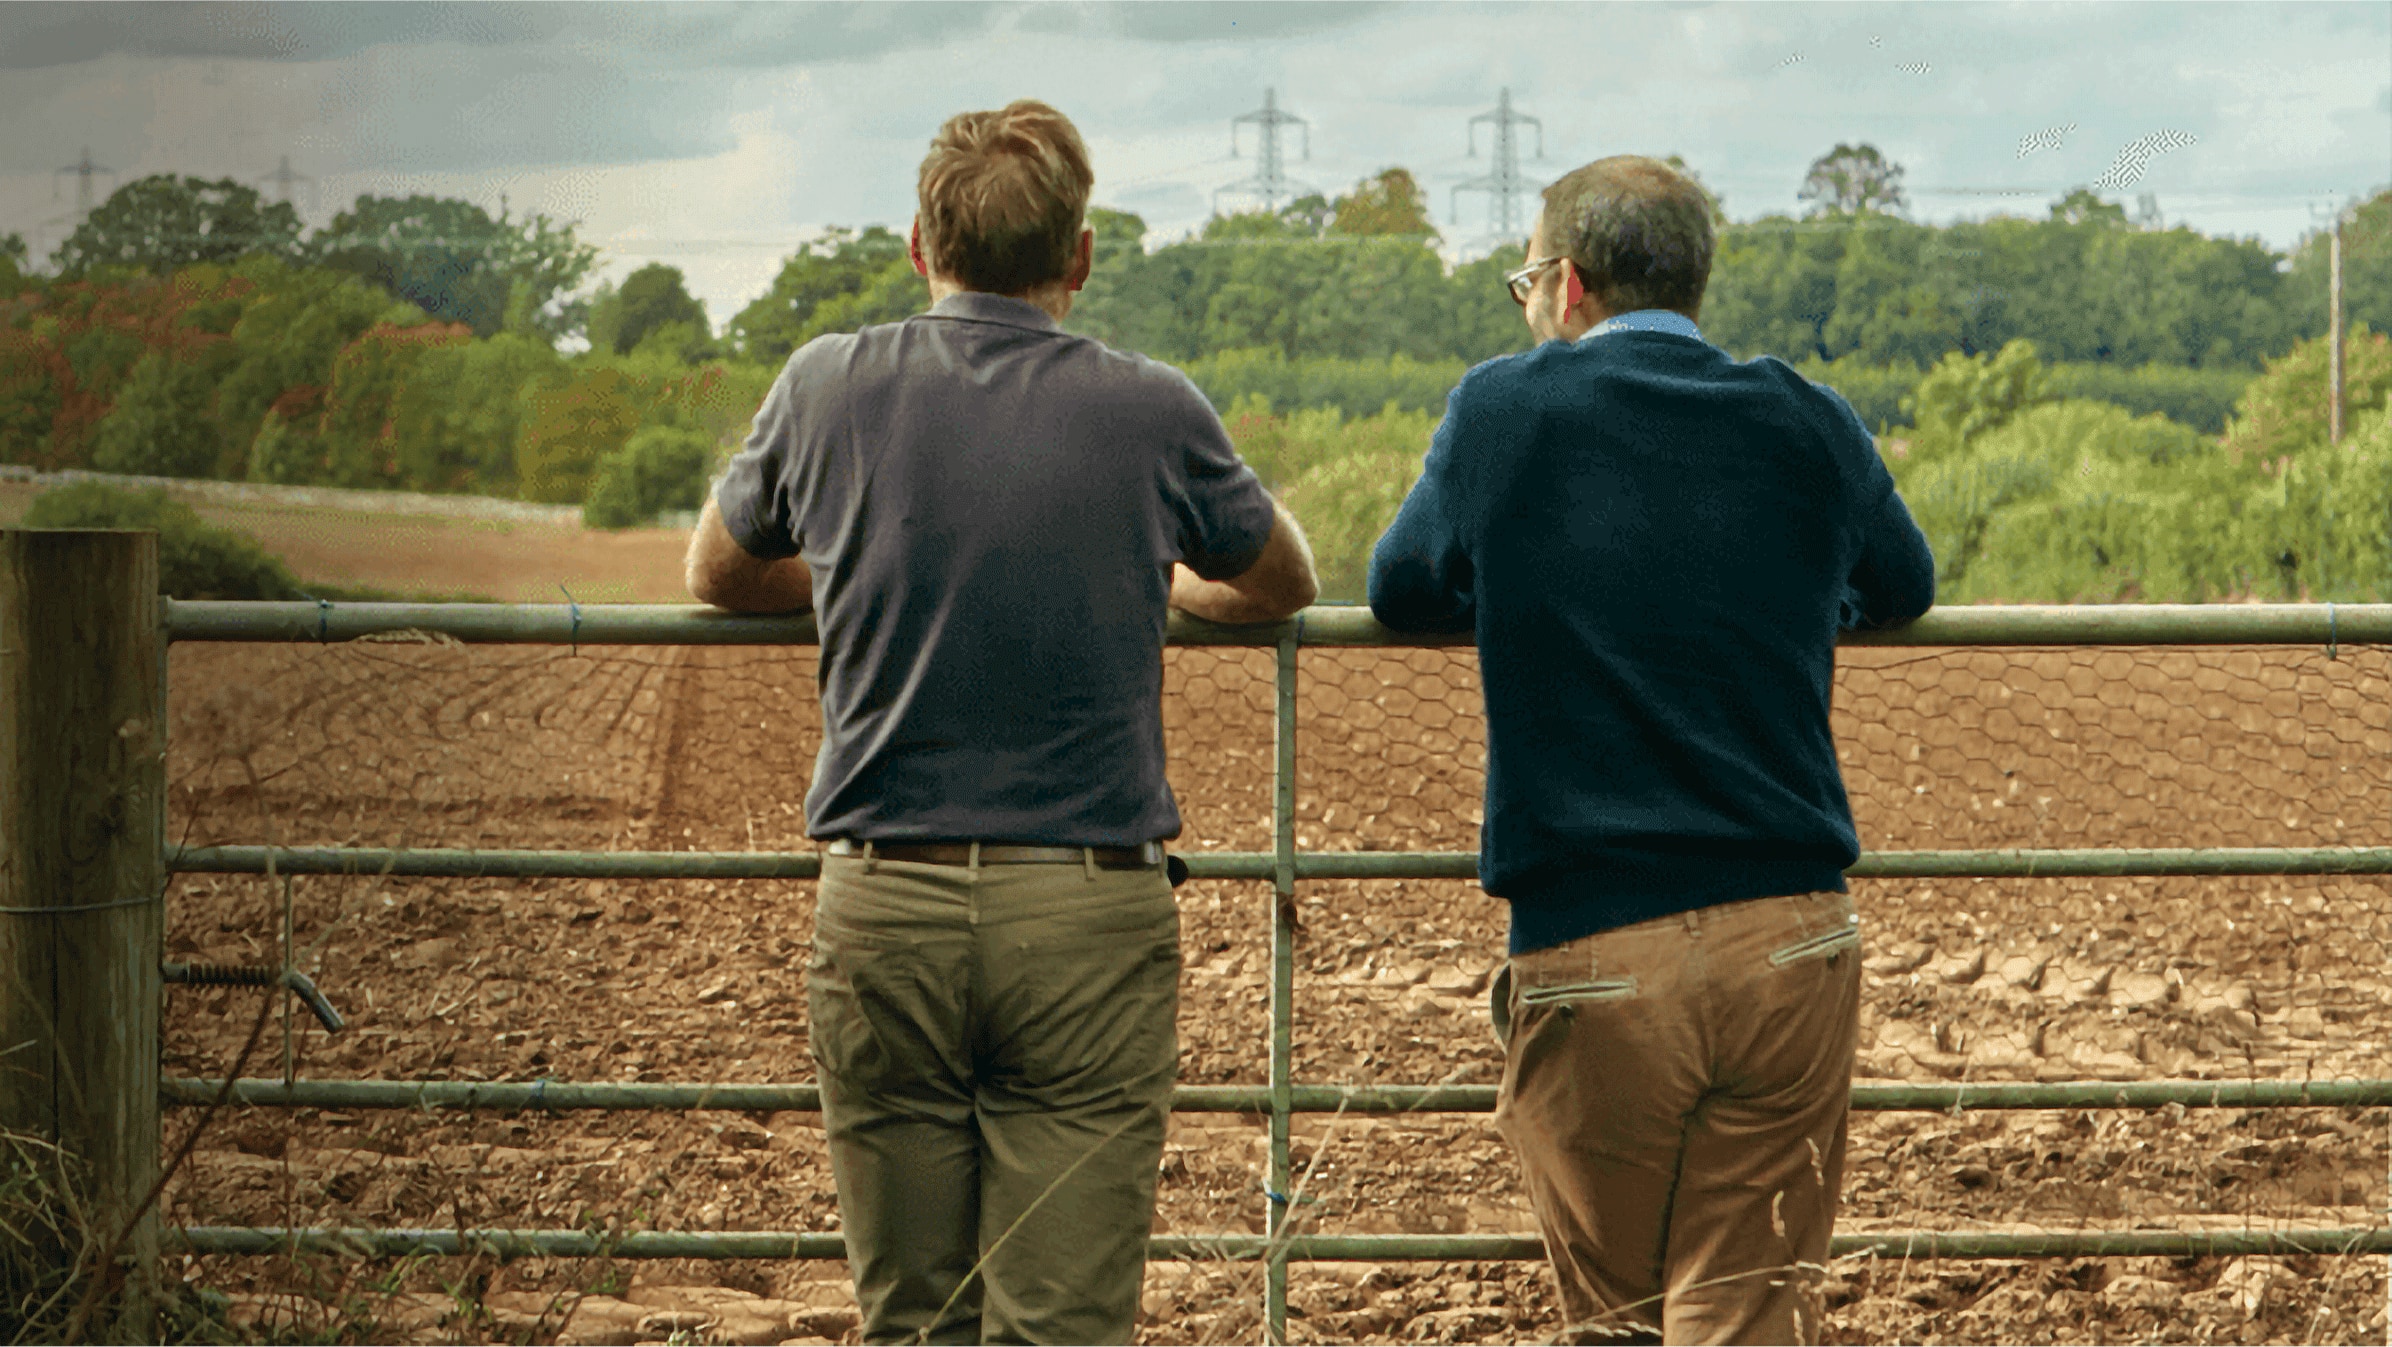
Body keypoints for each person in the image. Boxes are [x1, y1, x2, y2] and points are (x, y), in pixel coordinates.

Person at [685, 100, 1318, 1345]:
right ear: (1079, 258)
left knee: (915, 1316)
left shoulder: (823, 383)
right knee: (1064, 1323)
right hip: (1084, 912)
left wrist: (868, 571)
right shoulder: (1153, 407)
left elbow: (713, 571)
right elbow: (1283, 577)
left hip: (885, 904)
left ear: (920, 246)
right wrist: (1168, 586)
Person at [1367, 155, 1936, 1345]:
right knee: (1744, 1318)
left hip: (1592, 950)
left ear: (1566, 285)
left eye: (1525, 282)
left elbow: (1401, 587)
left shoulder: (1504, 406)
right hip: (1789, 934)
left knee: (1617, 1324)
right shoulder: (1805, 414)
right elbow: (1904, 581)